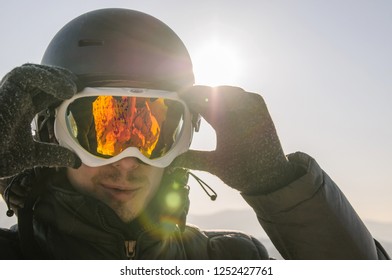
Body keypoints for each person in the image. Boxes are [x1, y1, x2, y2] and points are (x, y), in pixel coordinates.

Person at [0, 8, 389, 260]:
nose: (128, 161)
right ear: (50, 134)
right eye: (103, 129)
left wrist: (279, 186)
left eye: (154, 131)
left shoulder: (230, 260)